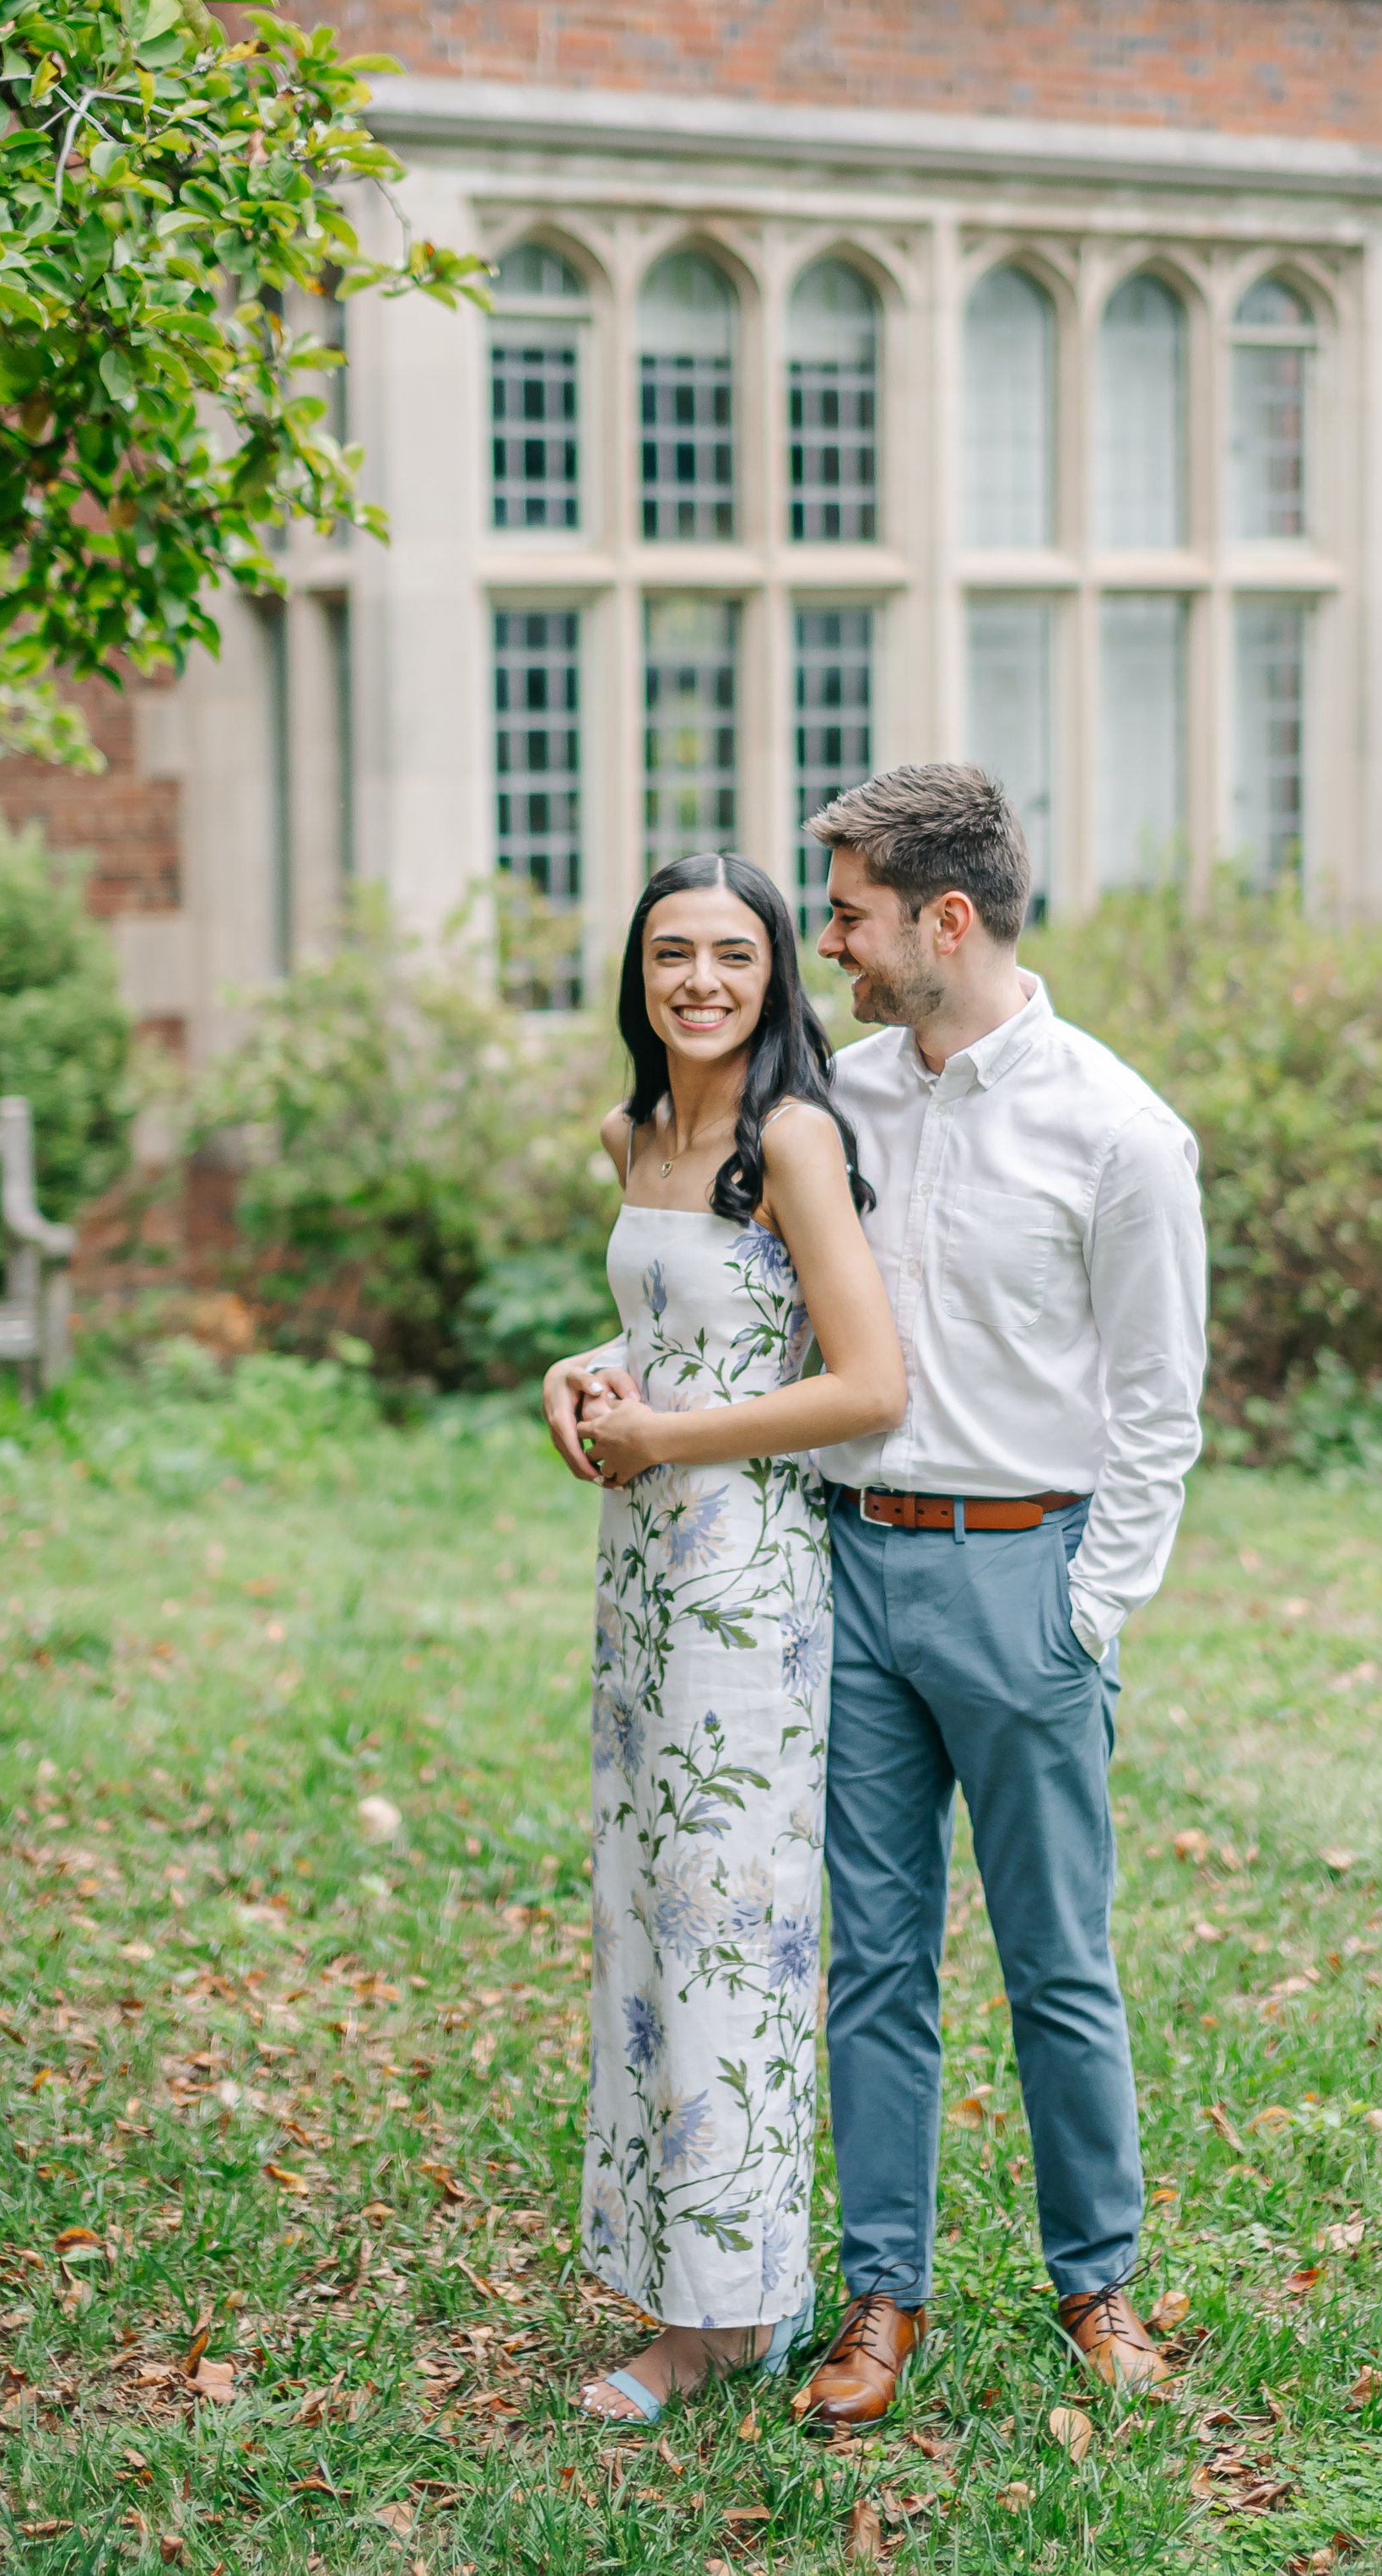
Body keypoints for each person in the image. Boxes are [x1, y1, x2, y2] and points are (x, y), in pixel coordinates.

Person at [785, 761, 1208, 2425]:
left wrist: (1082, 1612)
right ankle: (879, 2299)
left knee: (1056, 1961)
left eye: (850, 913)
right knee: (874, 1963)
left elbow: (1157, 1403)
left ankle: (1094, 2288)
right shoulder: (836, 1105)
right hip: (855, 1580)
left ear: (942, 921)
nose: (831, 942)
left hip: (1026, 1577)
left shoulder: (1118, 1130)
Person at [542, 851, 905, 2427]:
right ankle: (680, 2277)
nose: (700, 980)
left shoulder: (793, 1141)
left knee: (724, 1937)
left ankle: (731, 2316)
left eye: (734, 956)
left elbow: (867, 1387)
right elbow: (679, 1330)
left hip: (745, 1583)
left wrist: (671, 1438)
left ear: (774, 981)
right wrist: (583, 1373)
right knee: (645, 1926)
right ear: (638, 972)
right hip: (640, 1575)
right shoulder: (635, 1134)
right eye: (671, 952)